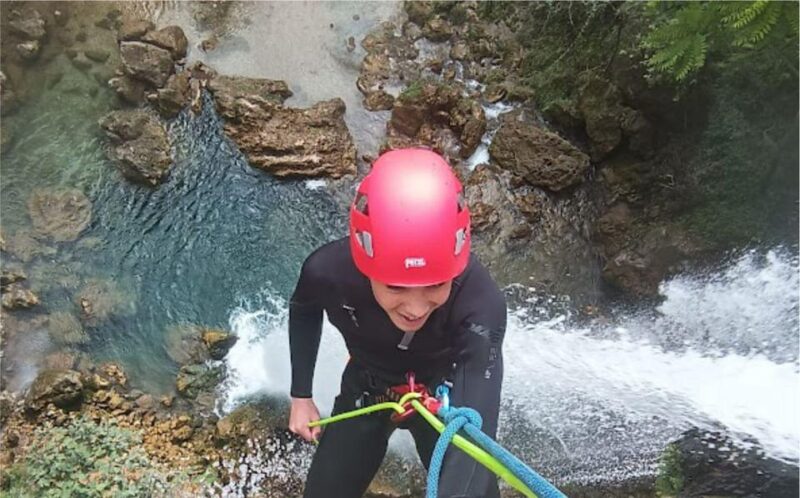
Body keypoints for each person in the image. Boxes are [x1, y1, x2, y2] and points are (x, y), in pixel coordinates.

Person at [288, 148, 506, 498]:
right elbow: (303, 309)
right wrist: (301, 395)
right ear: (366, 265)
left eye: (436, 284)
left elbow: (474, 429)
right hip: (367, 387)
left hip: (442, 396)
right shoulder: (328, 272)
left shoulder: (479, 302)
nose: (415, 309)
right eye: (395, 286)